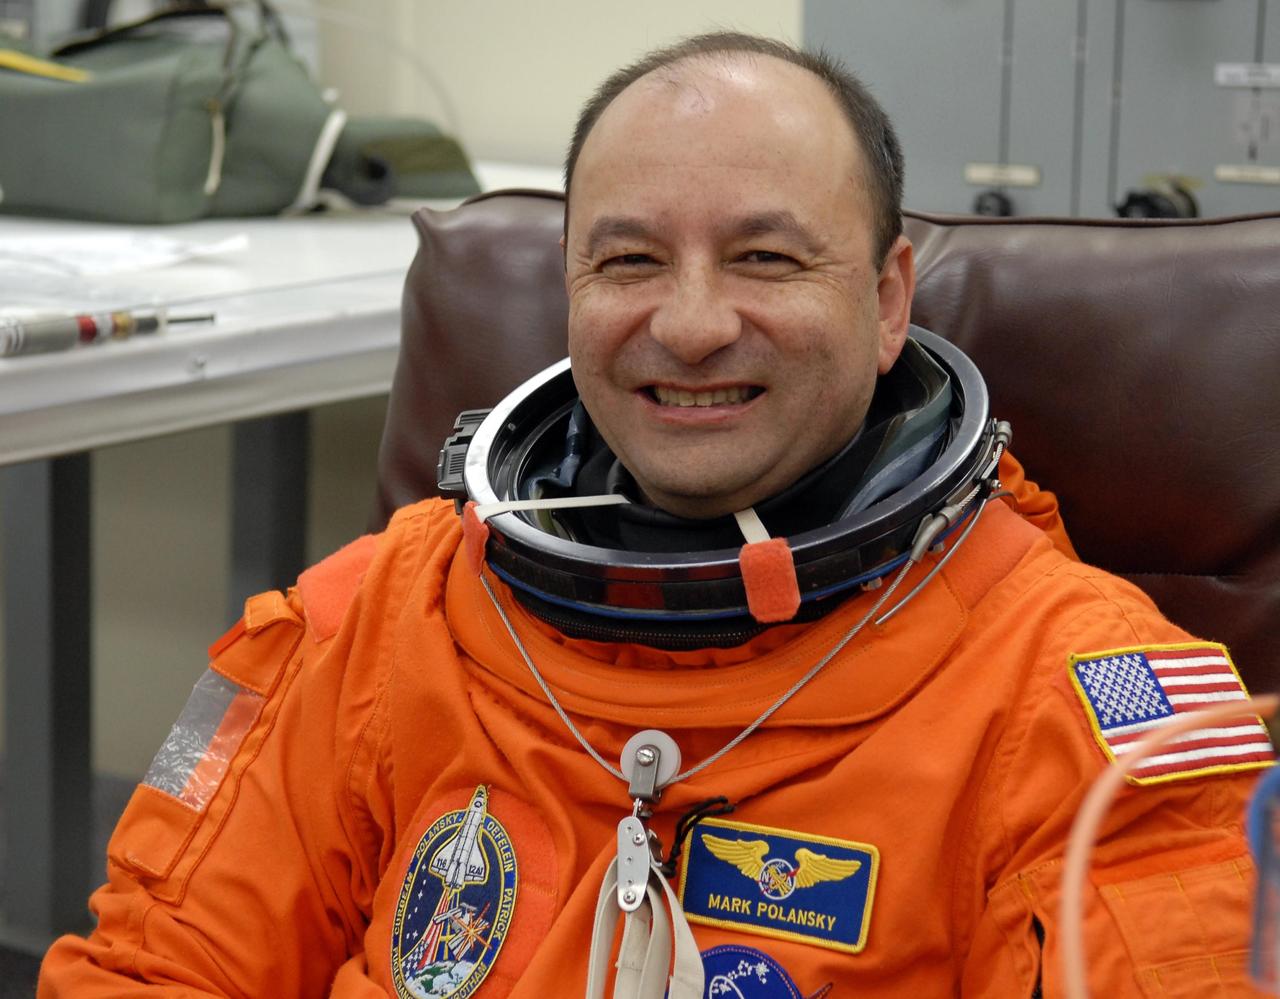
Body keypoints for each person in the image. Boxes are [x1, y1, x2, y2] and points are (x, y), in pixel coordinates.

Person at [41, 32, 1272, 999]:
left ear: (888, 300)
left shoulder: (1089, 705)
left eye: (765, 259)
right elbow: (155, 969)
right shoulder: (370, 619)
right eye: (627, 261)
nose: (687, 326)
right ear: (568, 284)